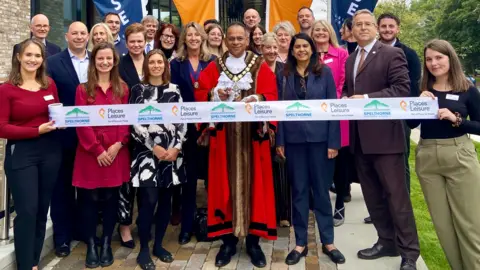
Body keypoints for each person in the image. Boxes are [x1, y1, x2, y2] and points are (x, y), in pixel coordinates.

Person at [341, 9, 419, 270]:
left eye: (367, 24)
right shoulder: (351, 60)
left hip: (386, 139)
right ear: (352, 31)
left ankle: (409, 253)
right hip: (360, 140)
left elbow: (401, 90)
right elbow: (348, 92)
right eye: (357, 25)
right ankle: (386, 242)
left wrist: (365, 99)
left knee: (397, 198)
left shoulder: (391, 53)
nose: (362, 28)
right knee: (373, 197)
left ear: (375, 28)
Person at [196, 22, 278, 268]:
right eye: (230, 38)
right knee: (224, 188)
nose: (234, 42)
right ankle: (228, 243)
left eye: (239, 38)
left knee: (257, 188)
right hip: (225, 139)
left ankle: (253, 243)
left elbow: (273, 95)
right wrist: (214, 94)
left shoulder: (259, 64)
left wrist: (258, 98)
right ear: (225, 39)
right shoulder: (215, 65)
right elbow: (199, 92)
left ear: (247, 39)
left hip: (253, 140)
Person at [408, 39, 480, 270]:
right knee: (443, 227)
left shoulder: (467, 90)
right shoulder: (422, 90)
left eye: (439, 57)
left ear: (450, 58)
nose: (433, 63)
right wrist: (417, 104)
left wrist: (457, 119)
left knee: (470, 225)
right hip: (428, 157)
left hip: (460, 155)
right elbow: (410, 124)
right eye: (429, 59)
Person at [275, 33, 345, 265]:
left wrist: (334, 142)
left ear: (312, 49)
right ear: (292, 50)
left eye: (305, 46)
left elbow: (333, 108)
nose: (301, 50)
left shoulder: (323, 72)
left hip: (321, 142)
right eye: (297, 47)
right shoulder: (284, 74)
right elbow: (280, 110)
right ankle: (300, 243)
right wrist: (281, 141)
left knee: (322, 193)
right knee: (299, 192)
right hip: (294, 143)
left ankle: (328, 242)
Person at [1, 39, 61, 270]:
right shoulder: (6, 90)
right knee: (27, 210)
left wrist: (62, 122)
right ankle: (25, 265)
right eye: (28, 55)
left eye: (37, 56)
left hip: (50, 151)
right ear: (18, 57)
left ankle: (34, 261)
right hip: (22, 153)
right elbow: (2, 127)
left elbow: (55, 112)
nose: (33, 60)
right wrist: (35, 130)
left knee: (40, 209)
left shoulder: (49, 84)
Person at [73, 42, 130, 268]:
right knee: (88, 201)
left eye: (109, 58)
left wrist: (117, 145)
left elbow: (127, 120)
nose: (105, 62)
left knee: (110, 200)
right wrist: (97, 149)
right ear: (93, 61)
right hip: (90, 154)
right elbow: (80, 123)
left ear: (114, 61)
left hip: (116, 153)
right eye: (100, 59)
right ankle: (91, 244)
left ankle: (106, 242)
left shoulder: (123, 88)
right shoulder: (82, 89)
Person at [131, 49, 187, 270]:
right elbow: (134, 122)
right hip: (147, 155)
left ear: (165, 65)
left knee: (165, 202)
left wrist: (176, 147)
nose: (156, 65)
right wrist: (153, 146)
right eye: (151, 62)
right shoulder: (138, 90)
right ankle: (144, 249)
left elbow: (183, 120)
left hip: (171, 156)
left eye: (159, 62)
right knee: (148, 202)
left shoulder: (175, 90)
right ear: (146, 66)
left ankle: (159, 245)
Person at [47, 21, 90, 258]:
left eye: (83, 33)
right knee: (61, 189)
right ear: (66, 36)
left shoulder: (98, 60)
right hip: (64, 138)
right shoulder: (53, 63)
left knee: (86, 188)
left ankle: (82, 230)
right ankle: (62, 238)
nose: (79, 37)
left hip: (92, 137)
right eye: (74, 33)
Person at [170, 22, 215, 245]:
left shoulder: (214, 62)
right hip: (185, 131)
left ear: (203, 38)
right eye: (189, 35)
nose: (194, 39)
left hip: (210, 130)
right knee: (187, 181)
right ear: (184, 39)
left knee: (212, 180)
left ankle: (213, 224)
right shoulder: (175, 64)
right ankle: (187, 227)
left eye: (197, 35)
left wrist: (209, 127)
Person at [311, 20, 351, 227]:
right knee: (319, 160)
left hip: (336, 113)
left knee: (341, 161)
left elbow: (345, 82)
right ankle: (320, 203)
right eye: (316, 30)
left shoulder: (341, 54)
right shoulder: (308, 55)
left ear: (330, 32)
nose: (320, 33)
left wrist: (330, 100)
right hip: (314, 116)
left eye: (323, 30)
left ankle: (340, 205)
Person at [378, 12, 421, 193]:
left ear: (398, 28)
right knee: (379, 162)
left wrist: (409, 117)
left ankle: (403, 209)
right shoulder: (371, 52)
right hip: (376, 114)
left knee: (400, 161)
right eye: (384, 26)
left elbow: (413, 86)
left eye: (391, 26)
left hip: (400, 115)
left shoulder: (409, 54)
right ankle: (381, 208)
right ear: (378, 29)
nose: (387, 30)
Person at [117, 22, 147, 249]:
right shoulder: (119, 64)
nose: (136, 45)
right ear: (126, 43)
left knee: (146, 179)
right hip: (126, 129)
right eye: (132, 41)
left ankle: (145, 222)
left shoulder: (154, 61)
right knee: (126, 182)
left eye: (140, 41)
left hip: (152, 130)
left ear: (145, 42)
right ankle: (125, 225)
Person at [261, 32, 291, 227]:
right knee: (266, 171)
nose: (272, 51)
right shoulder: (257, 70)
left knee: (283, 170)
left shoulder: (285, 70)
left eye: (274, 48)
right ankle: (267, 213)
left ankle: (284, 214)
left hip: (283, 124)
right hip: (262, 126)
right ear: (261, 49)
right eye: (268, 48)